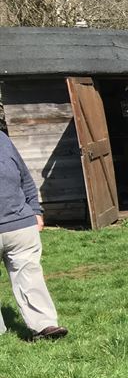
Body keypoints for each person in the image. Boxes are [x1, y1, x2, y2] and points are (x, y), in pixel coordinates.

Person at [0, 130, 66, 340]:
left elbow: (25, 178)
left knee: (30, 276)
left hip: (20, 226)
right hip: (18, 224)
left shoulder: (2, 139)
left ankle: (44, 325)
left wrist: (35, 211)